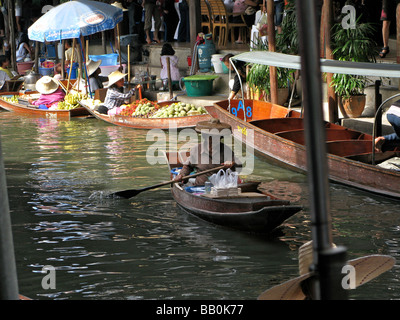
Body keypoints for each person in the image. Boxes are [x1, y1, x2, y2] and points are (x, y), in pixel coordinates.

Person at [174, 119, 241, 186]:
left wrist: (232, 164)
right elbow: (187, 167)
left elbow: (239, 167)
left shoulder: (226, 150)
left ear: (220, 137)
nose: (213, 139)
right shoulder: (196, 149)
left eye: (216, 137)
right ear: (204, 136)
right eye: (210, 137)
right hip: (200, 187)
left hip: (220, 188)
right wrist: (182, 175)